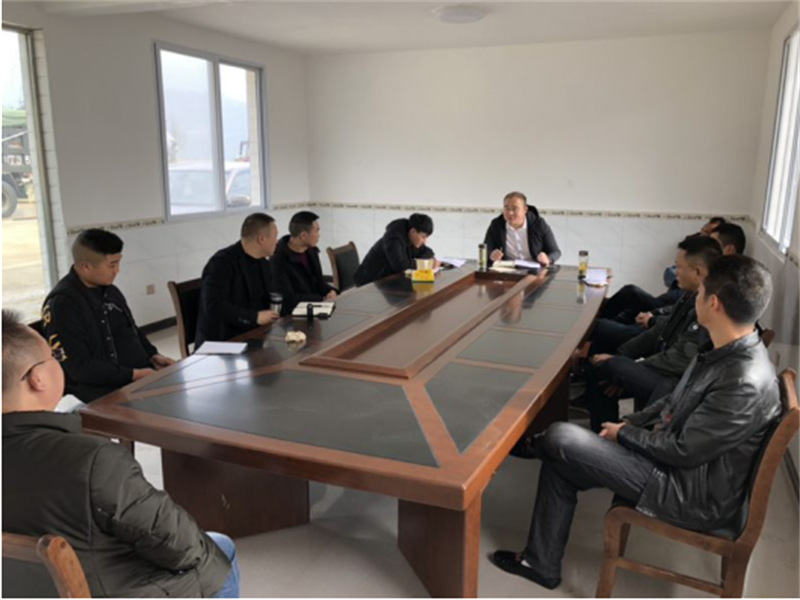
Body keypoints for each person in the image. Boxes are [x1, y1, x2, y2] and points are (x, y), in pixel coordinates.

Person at [493, 255, 779, 590]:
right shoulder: (725, 350)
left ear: (713, 303)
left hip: (689, 494)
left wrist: (626, 434)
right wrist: (631, 422)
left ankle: (535, 443)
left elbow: (683, 451)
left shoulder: (743, 379)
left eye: (700, 293)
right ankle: (540, 562)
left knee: (561, 438)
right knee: (562, 459)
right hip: (678, 468)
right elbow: (672, 401)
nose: (695, 299)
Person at [2, 310, 240, 598]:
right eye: (53, 356)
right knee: (219, 550)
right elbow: (181, 546)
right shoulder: (91, 460)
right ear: (37, 378)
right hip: (106, 589)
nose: (59, 362)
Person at [583, 235, 722, 431]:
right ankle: (603, 433)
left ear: (697, 272)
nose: (675, 272)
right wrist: (622, 357)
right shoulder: (691, 294)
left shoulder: (710, 305)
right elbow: (659, 331)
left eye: (679, 267)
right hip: (663, 370)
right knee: (604, 368)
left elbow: (680, 359)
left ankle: (608, 437)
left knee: (607, 366)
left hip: (676, 383)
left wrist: (631, 366)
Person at [41, 229, 175, 402]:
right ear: (86, 266)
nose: (117, 271)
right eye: (112, 265)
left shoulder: (109, 290)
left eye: (118, 263)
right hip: (104, 390)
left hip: (136, 377)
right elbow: (79, 367)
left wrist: (153, 356)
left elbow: (131, 330)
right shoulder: (63, 305)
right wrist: (133, 374)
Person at [600, 216, 726, 322]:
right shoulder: (691, 255)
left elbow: (677, 315)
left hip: (662, 312)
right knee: (627, 309)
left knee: (630, 293)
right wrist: (678, 281)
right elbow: (669, 273)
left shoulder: (707, 287)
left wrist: (653, 317)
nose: (703, 236)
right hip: (663, 304)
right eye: (703, 231)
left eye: (708, 234)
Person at [196, 213, 287, 346]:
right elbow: (214, 306)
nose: (277, 241)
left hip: (254, 333)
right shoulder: (221, 263)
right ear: (262, 239)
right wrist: (255, 317)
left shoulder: (263, 263)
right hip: (223, 340)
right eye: (275, 236)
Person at [271, 211, 337, 313]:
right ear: (303, 235)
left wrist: (331, 291)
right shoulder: (278, 260)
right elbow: (288, 298)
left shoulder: (312, 251)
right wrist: (321, 299)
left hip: (316, 308)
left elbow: (319, 283)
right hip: (294, 314)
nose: (319, 235)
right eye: (317, 231)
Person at [354, 213, 438, 286]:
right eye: (423, 237)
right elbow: (400, 265)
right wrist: (425, 264)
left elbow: (428, 251)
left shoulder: (411, 236)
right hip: (368, 282)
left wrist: (431, 259)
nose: (425, 241)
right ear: (413, 231)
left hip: (386, 280)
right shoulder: (394, 238)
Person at [484, 191, 560, 267]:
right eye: (506, 208)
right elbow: (486, 250)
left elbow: (555, 251)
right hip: (507, 269)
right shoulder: (496, 225)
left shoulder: (539, 224)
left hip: (534, 270)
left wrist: (548, 259)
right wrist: (491, 255)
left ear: (525, 210)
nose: (510, 213)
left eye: (514, 209)